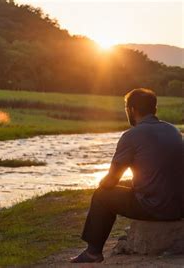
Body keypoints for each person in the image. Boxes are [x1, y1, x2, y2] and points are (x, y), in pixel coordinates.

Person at [70, 88, 184, 263]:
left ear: (131, 110)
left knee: (102, 195)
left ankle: (93, 252)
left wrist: (102, 182)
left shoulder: (131, 136)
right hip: (180, 207)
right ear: (154, 109)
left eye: (126, 108)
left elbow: (111, 181)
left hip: (156, 208)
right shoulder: (173, 130)